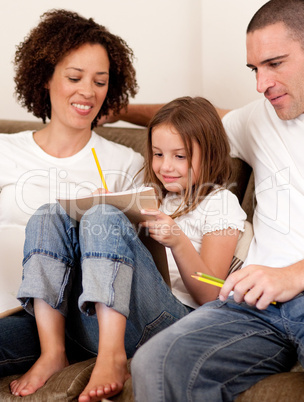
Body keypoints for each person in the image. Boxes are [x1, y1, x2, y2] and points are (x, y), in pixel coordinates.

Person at [8, 96, 247, 401]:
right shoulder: (147, 194)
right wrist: (99, 213)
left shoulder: (220, 203)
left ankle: (112, 357)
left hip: (166, 321)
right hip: (90, 316)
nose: (165, 166)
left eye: (180, 156)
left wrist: (177, 241)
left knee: (104, 215)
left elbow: (211, 293)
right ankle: (52, 351)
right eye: (158, 154)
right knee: (48, 214)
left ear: (209, 153)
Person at [124, 0, 304, 401]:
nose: (261, 84)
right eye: (254, 69)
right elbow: (194, 124)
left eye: (274, 64)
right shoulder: (261, 115)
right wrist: (115, 109)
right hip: (255, 304)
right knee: (154, 363)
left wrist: (293, 275)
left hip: (294, 286)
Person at [0, 5, 145, 397]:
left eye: (100, 81)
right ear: (45, 77)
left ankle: (59, 351)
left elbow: (130, 259)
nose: (88, 92)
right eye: (75, 77)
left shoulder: (125, 163)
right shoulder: (4, 151)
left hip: (71, 320)